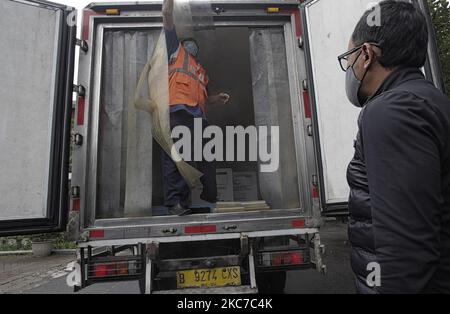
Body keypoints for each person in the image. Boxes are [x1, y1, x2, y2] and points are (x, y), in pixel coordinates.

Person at [340, 0, 450, 293]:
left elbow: (406, 250)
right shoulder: (427, 100)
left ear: (366, 54)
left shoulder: (393, 111)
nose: (348, 69)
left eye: (348, 58)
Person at [162, 0, 230, 216]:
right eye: (189, 43)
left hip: (197, 116)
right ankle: (176, 203)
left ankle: (209, 194)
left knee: (207, 153)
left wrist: (215, 98)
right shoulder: (175, 53)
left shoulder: (200, 70)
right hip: (178, 112)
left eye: (194, 45)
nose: (192, 46)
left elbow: (202, 97)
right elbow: (166, 15)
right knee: (177, 157)